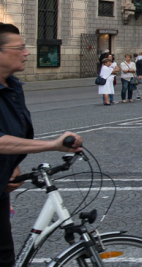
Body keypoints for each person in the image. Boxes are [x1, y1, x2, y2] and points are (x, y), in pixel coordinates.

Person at [0, 24, 84, 267]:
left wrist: (12, 165)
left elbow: (11, 132)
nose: (27, 53)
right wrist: (52, 145)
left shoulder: (13, 87)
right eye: (19, 48)